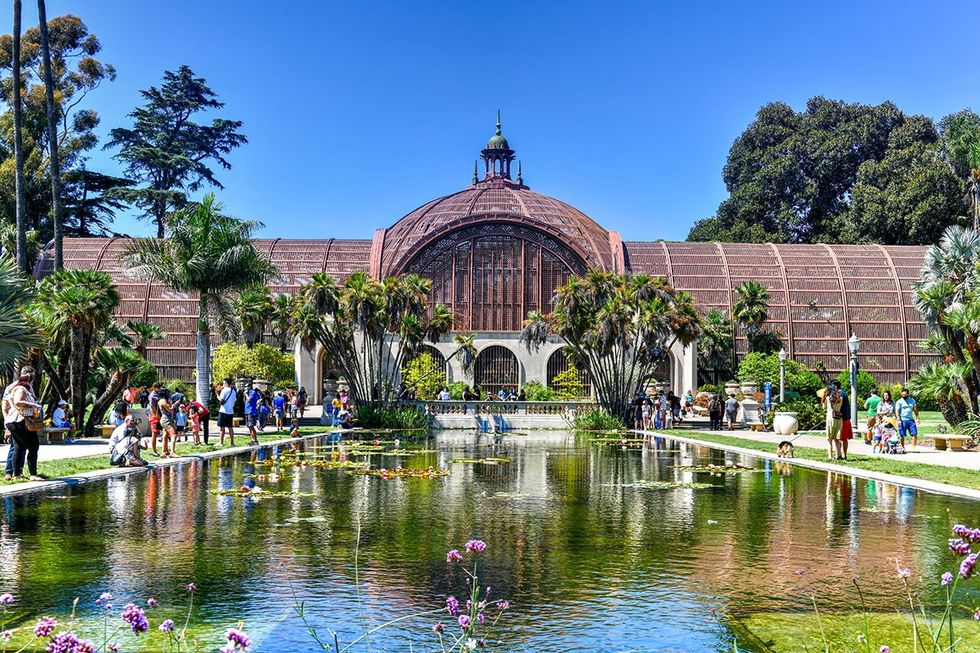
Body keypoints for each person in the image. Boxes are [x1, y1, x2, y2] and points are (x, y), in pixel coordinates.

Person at [2, 366, 43, 481]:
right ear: (29, 377)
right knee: (33, 447)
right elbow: (17, 402)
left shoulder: (24, 387)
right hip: (19, 421)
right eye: (33, 377)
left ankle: (17, 474)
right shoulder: (21, 388)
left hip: (14, 421)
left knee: (19, 447)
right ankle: (32, 474)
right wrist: (34, 405)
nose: (34, 380)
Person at [822, 384, 844, 460]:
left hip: (830, 419)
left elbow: (823, 408)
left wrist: (823, 399)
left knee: (829, 439)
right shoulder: (840, 398)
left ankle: (830, 456)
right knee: (837, 439)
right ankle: (838, 456)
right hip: (838, 419)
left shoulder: (827, 398)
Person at [157, 387, 178, 457]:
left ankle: (163, 452)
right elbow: (170, 410)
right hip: (166, 420)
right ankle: (172, 452)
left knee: (165, 436)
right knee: (174, 435)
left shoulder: (161, 400)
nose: (169, 395)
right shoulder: (163, 401)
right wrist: (176, 404)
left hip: (165, 419)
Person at [217, 378, 237, 447]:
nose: (223, 385)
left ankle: (221, 442)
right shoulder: (233, 391)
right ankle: (232, 443)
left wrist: (217, 396)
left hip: (223, 410)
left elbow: (221, 400)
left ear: (226, 383)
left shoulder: (224, 390)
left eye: (223, 383)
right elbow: (234, 401)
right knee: (230, 427)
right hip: (230, 411)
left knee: (222, 427)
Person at [147, 382, 162, 456]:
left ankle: (160, 450)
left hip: (158, 415)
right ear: (154, 387)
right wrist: (157, 415)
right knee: (154, 433)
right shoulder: (152, 395)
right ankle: (154, 451)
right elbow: (152, 406)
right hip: (154, 416)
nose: (159, 389)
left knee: (158, 433)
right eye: (158, 388)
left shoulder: (158, 394)